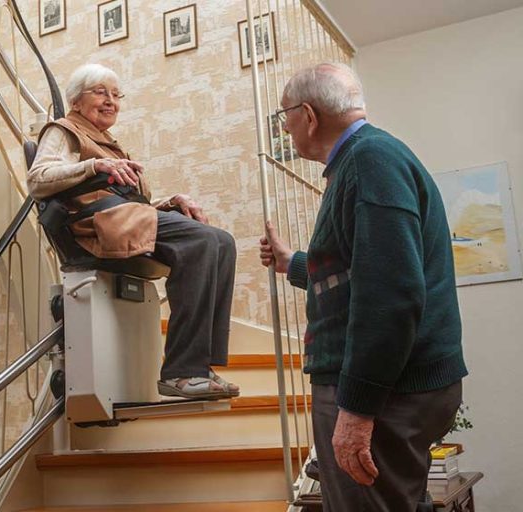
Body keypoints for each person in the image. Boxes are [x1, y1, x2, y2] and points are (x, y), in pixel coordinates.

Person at [259, 63, 468, 511]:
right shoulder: (368, 159)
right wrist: (291, 263)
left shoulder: (369, 161)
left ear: (308, 116)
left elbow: (390, 295)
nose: (285, 127)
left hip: (388, 390)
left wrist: (356, 409)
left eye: (284, 115)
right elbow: (362, 273)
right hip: (395, 386)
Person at [28, 63, 239, 400]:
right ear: (76, 101)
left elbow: (129, 202)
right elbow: (38, 179)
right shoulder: (64, 130)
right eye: (100, 92)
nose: (110, 101)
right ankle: (182, 372)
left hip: (124, 217)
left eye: (116, 95)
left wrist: (171, 201)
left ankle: (200, 366)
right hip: (96, 225)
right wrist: (94, 165)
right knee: (200, 240)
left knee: (222, 242)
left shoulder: (108, 143)